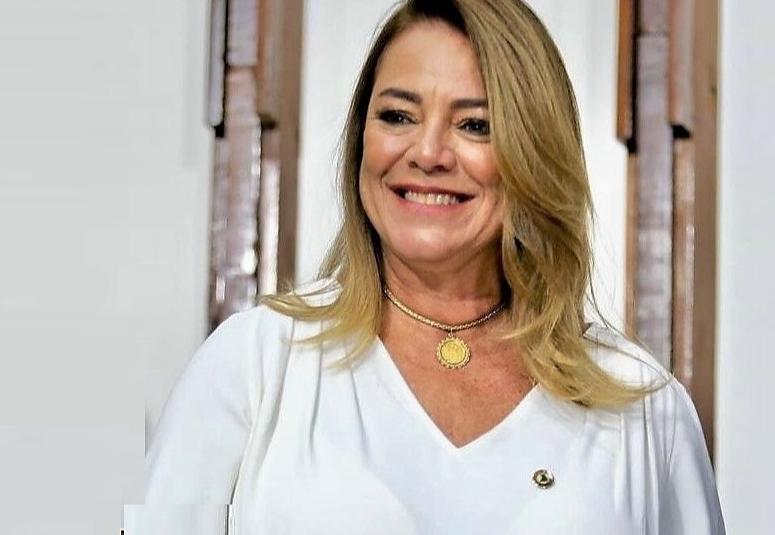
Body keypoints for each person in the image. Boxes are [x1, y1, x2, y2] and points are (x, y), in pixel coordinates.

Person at [131, 1, 725, 533]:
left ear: (534, 152)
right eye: (397, 116)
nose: (428, 153)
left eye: (475, 125)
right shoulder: (254, 364)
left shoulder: (644, 407)